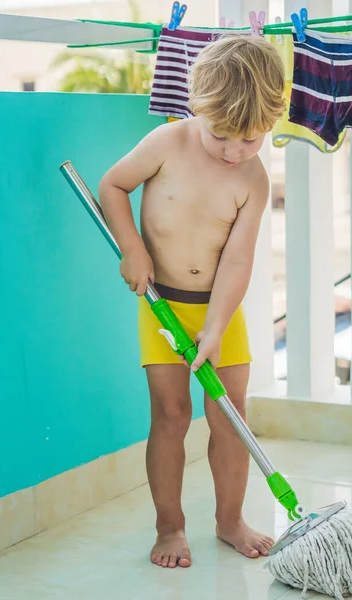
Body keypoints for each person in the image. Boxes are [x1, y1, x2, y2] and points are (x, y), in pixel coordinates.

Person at [99, 34, 285, 569]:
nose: (233, 152)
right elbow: (113, 186)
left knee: (231, 416)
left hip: (221, 309)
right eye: (222, 136)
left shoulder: (253, 178)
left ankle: (230, 521)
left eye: (251, 141)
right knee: (171, 413)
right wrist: (132, 249)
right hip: (162, 305)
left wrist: (218, 325)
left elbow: (237, 262)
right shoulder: (167, 142)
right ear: (198, 107)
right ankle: (170, 527)